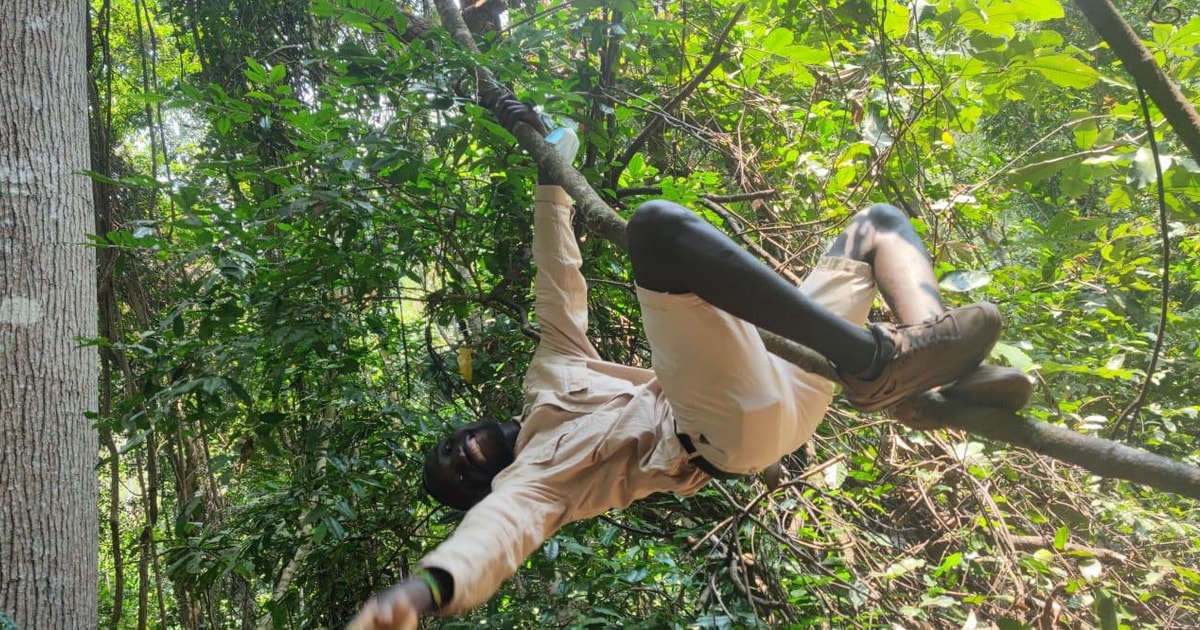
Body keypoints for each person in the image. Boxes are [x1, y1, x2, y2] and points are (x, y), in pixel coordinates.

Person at [348, 96, 1031, 629]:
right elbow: (493, 538)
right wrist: (423, 590)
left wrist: (550, 173)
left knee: (875, 225)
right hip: (724, 428)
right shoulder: (533, 487)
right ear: (485, 487)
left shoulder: (550, 375)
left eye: (447, 447)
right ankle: (882, 365)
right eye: (459, 473)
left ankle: (930, 369)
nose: (461, 454)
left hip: (779, 378)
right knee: (658, 229)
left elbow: (557, 279)